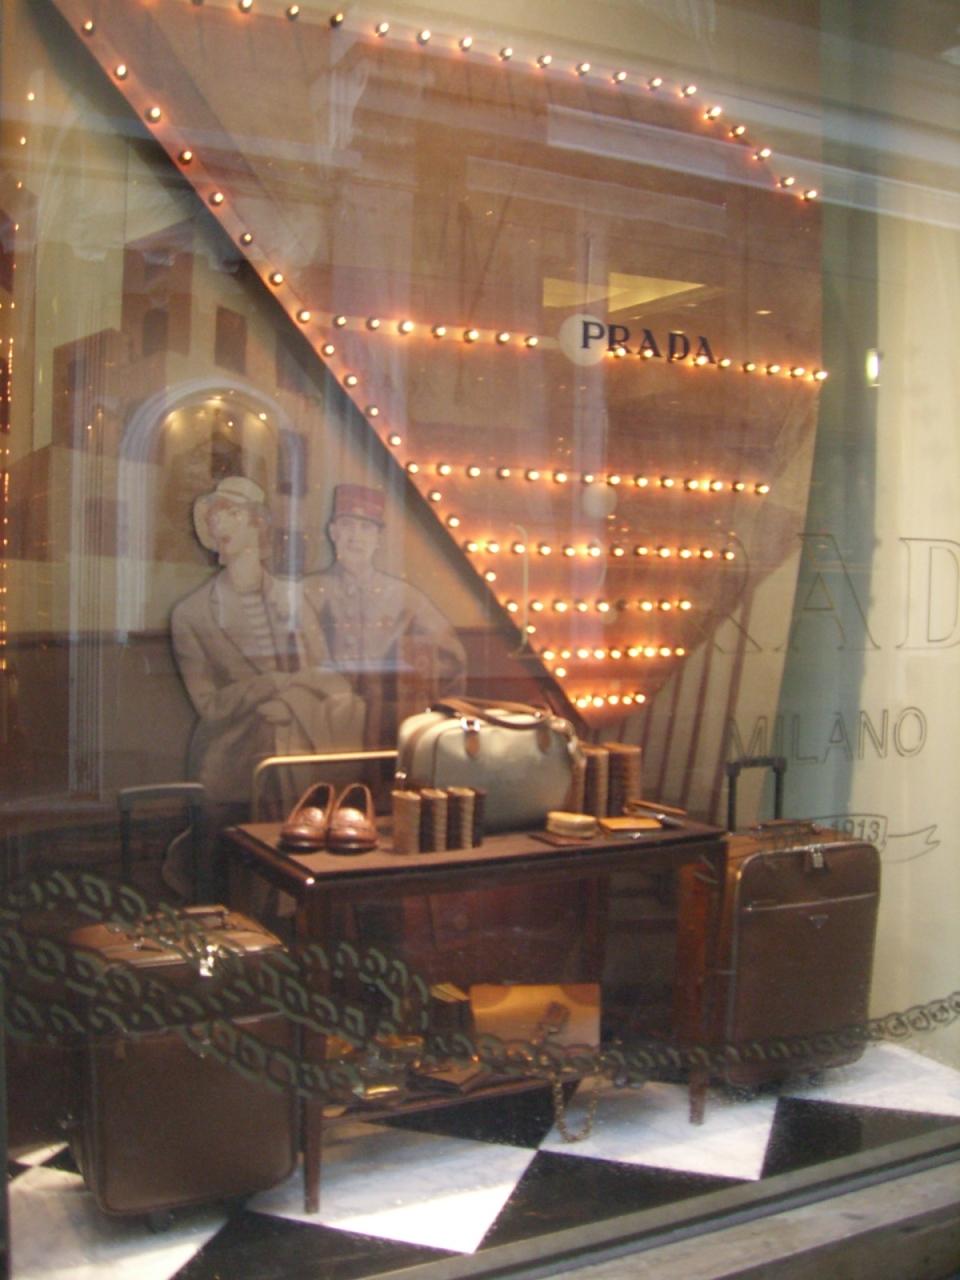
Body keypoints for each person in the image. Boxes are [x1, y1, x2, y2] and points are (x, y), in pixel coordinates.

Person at [170, 476, 363, 811]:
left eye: (233, 513)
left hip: (302, 749)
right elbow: (209, 705)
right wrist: (272, 684)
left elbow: (327, 674)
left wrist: (291, 705)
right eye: (215, 515)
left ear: (257, 523)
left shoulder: (293, 598)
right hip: (233, 763)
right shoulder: (192, 613)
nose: (221, 523)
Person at [304, 484, 467, 746]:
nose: (356, 537)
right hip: (321, 726)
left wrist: (431, 712)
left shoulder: (405, 597)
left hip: (387, 729)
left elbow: (452, 658)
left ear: (378, 538)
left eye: (366, 528)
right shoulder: (306, 592)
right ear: (333, 532)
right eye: (347, 525)